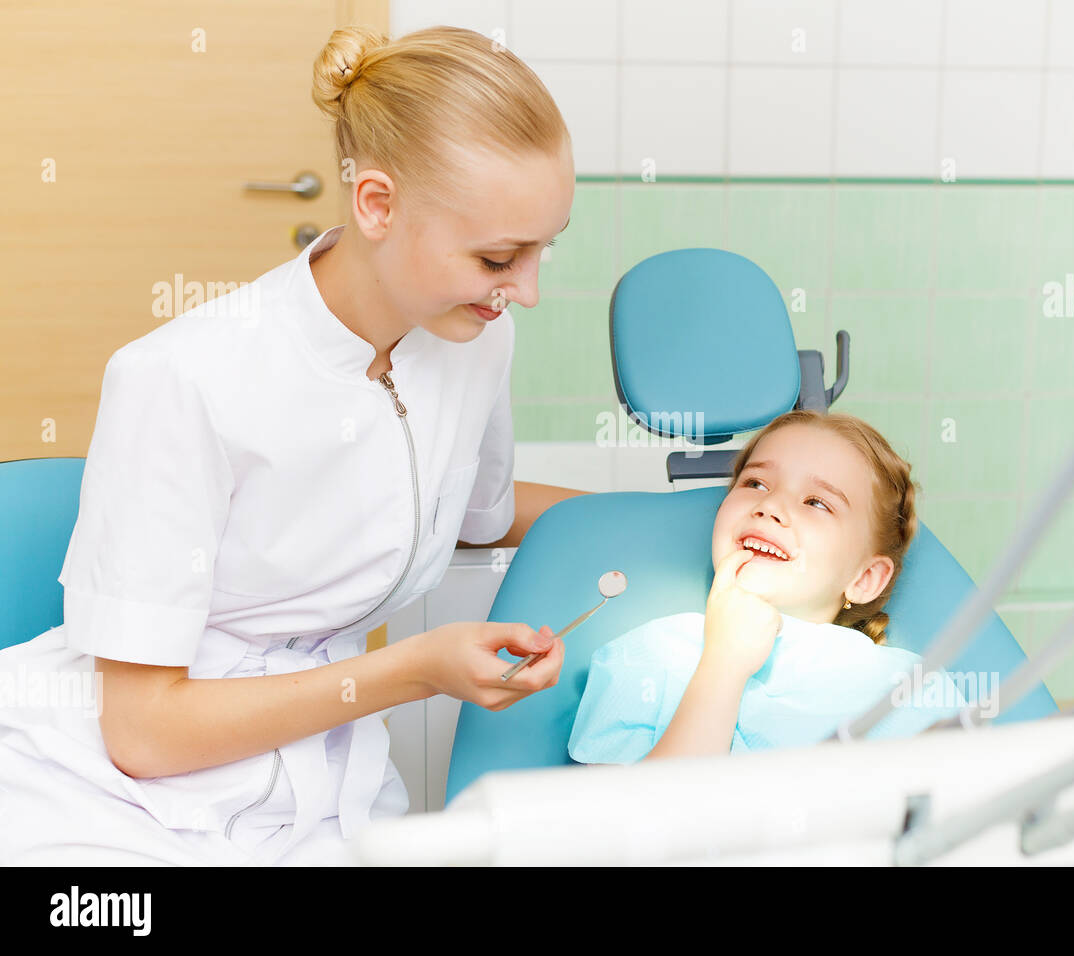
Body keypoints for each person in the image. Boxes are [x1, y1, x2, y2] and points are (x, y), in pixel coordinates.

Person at [0, 25, 586, 865]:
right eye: (499, 256)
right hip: (109, 794)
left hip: (321, 784)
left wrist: (700, 512)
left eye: (543, 250)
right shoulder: (184, 379)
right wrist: (415, 670)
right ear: (376, 204)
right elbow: (141, 733)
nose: (525, 291)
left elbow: (477, 516)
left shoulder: (471, 339)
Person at [568, 410, 967, 765]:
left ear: (863, 579)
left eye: (816, 503)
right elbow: (629, 825)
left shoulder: (907, 686)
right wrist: (724, 663)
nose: (770, 506)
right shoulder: (647, 658)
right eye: (756, 483)